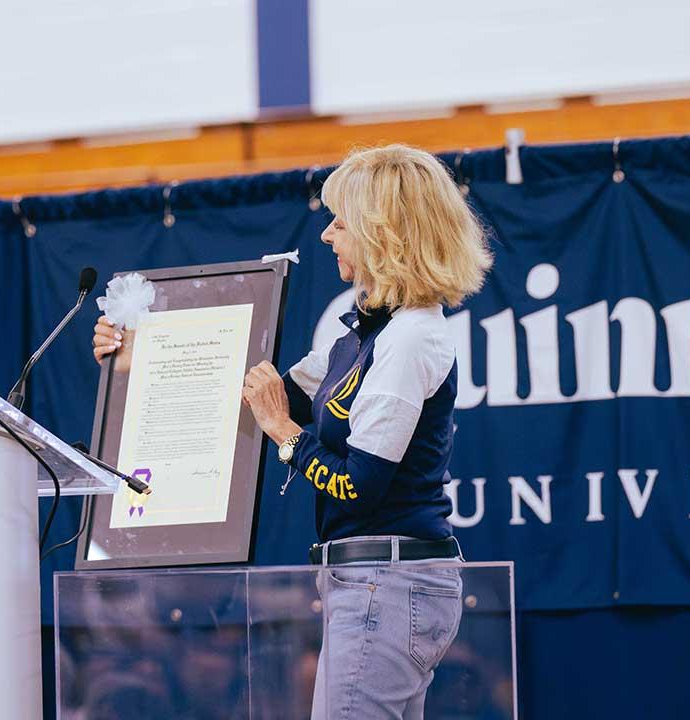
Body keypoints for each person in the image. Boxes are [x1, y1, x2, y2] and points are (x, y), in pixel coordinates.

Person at [94, 144, 491, 719]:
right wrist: (135, 359)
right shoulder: (362, 336)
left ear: (383, 233)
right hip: (375, 582)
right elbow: (252, 398)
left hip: (386, 583)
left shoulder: (408, 340)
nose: (327, 236)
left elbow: (360, 484)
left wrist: (285, 433)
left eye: (341, 223)